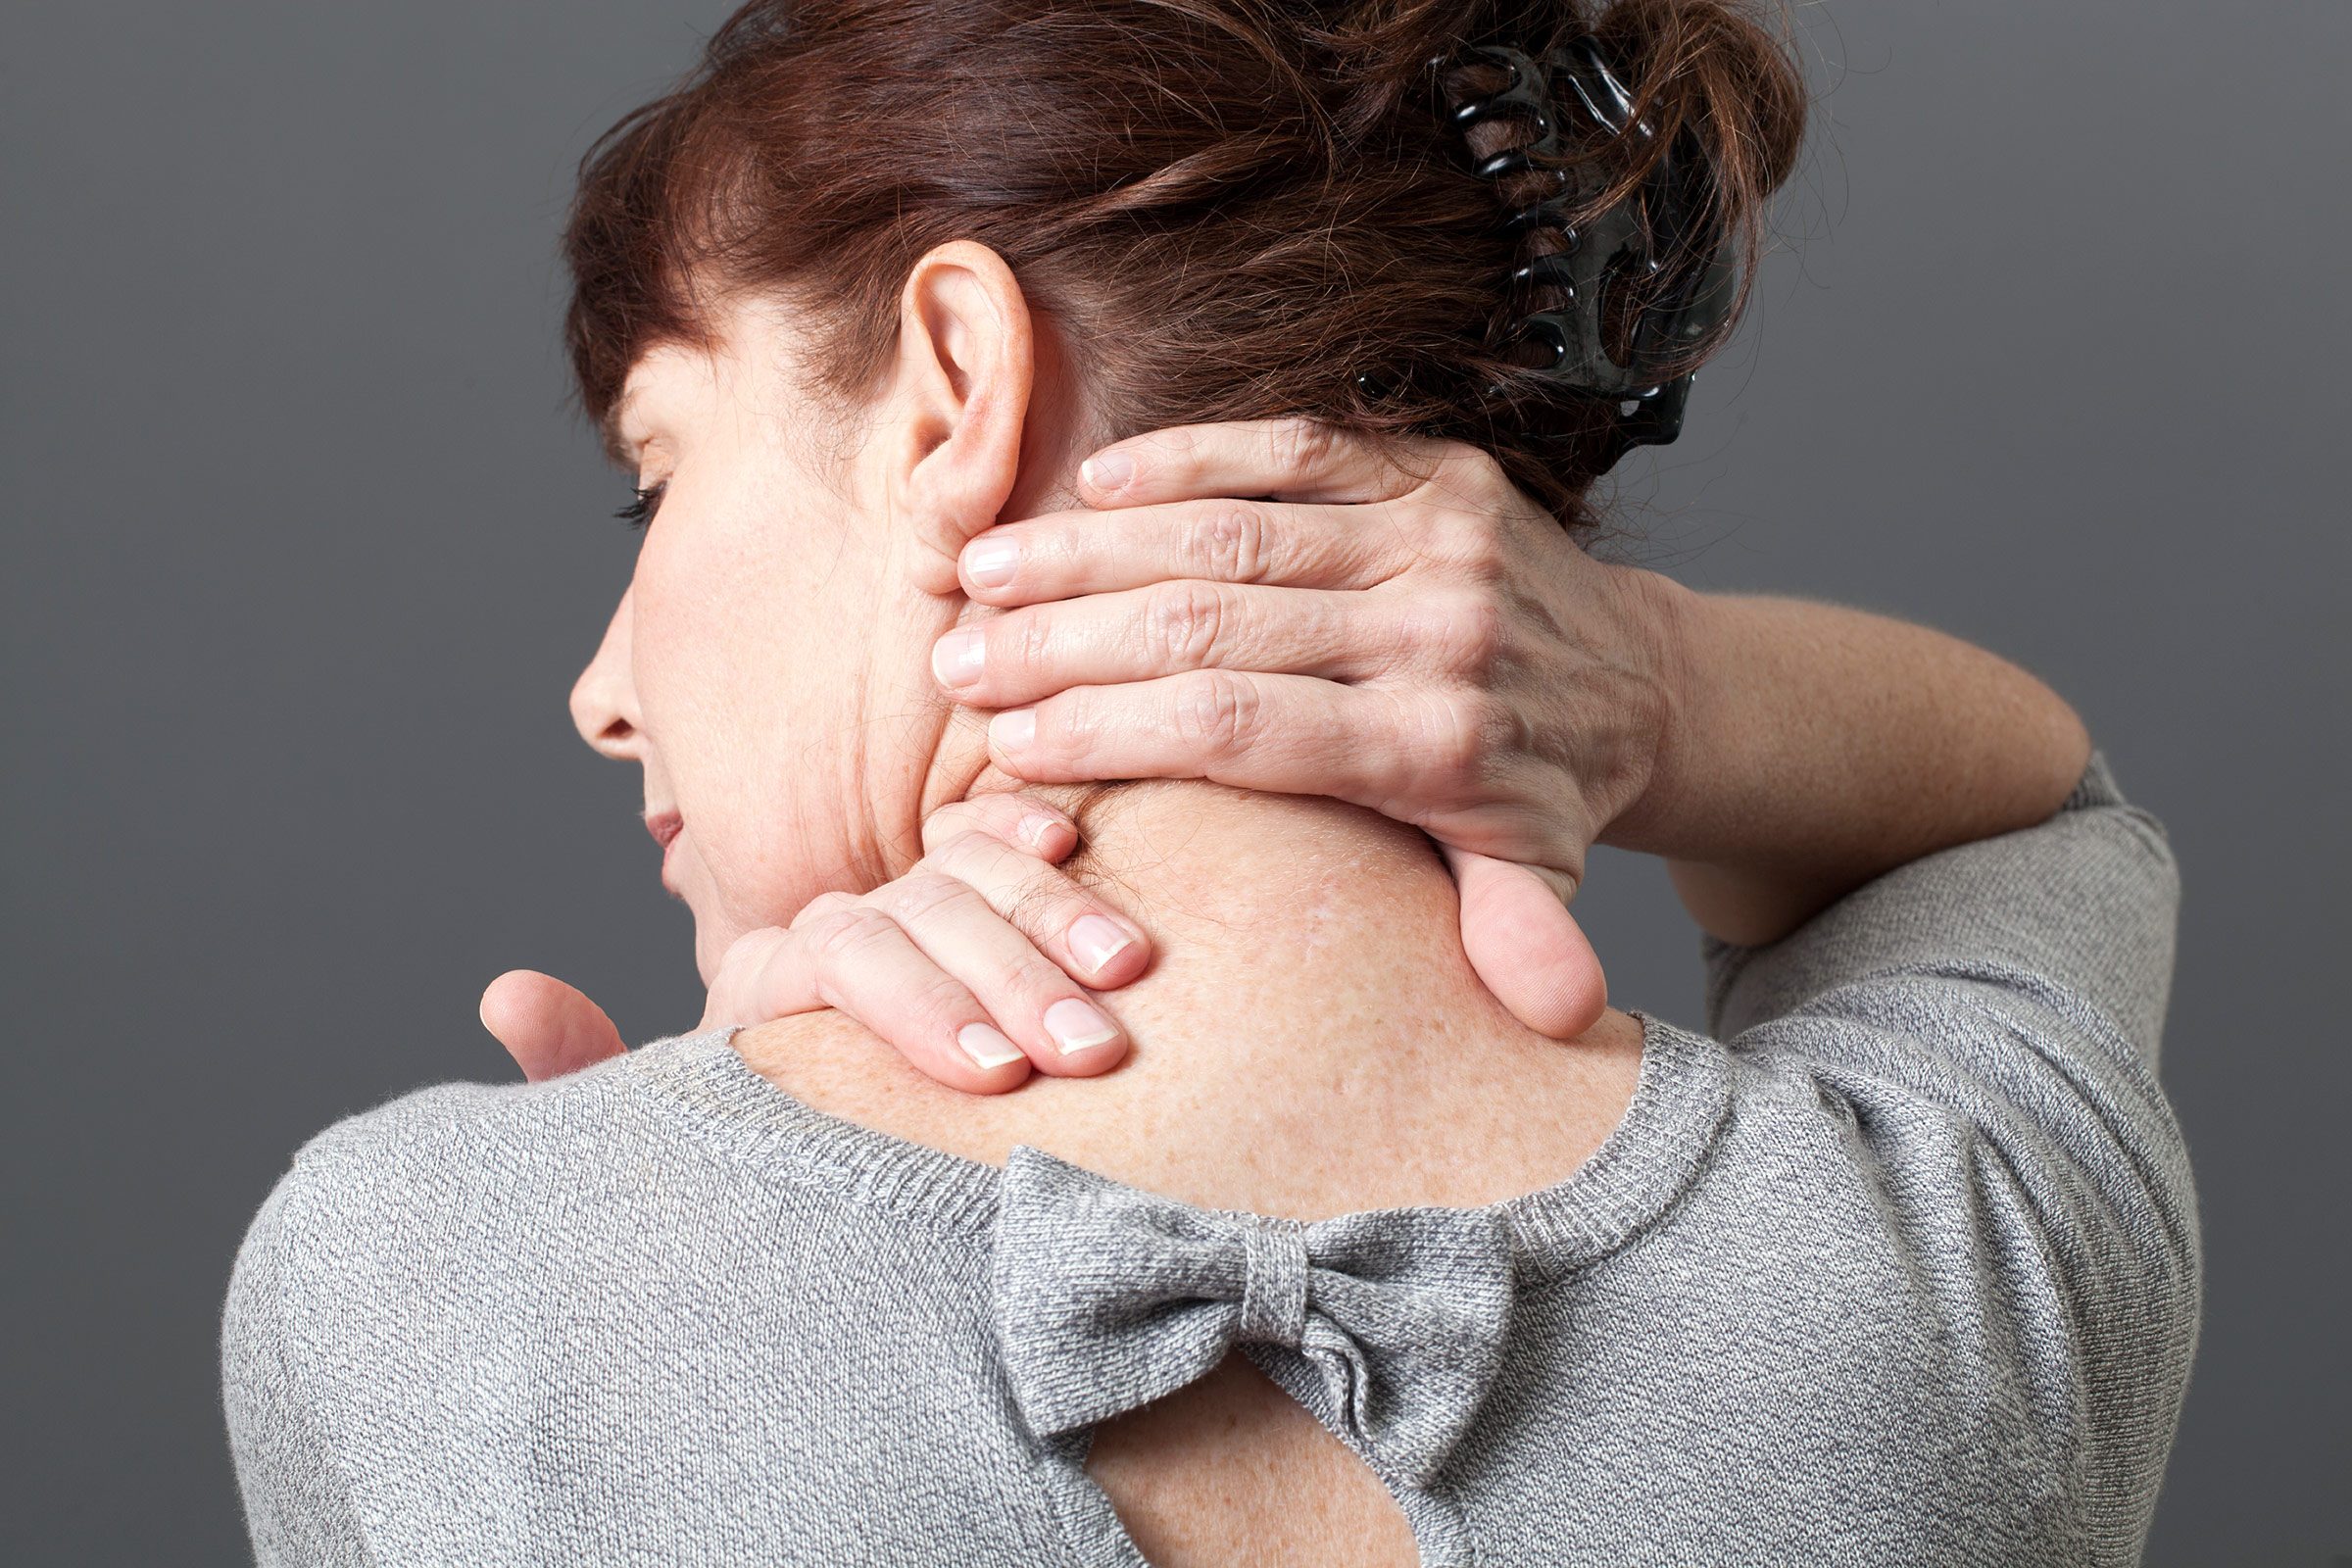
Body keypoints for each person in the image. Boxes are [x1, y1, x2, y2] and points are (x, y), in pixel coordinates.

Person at [221, 2, 2200, 1564]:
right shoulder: (1969, 1271)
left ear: (949, 390)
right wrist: (1646, 676)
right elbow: (2033, 808)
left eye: (658, 478)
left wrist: (609, 1266)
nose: (600, 688)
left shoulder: (413, 1276)